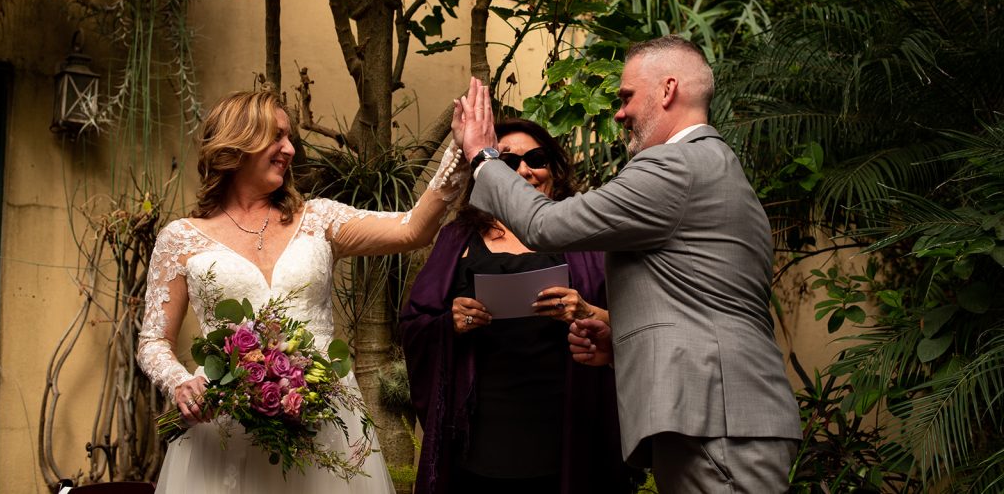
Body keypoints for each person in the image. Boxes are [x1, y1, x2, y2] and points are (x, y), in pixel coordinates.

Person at [458, 36, 802, 493]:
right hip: (717, 416)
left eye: (625, 97)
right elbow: (702, 303)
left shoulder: (675, 164)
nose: (619, 113)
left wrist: (485, 158)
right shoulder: (712, 165)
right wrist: (620, 341)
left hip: (717, 418)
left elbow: (545, 224)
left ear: (667, 90)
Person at [137, 90, 469, 493]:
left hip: (323, 423)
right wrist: (179, 383)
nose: (290, 149)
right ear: (240, 138)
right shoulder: (181, 238)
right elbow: (153, 340)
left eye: (290, 138)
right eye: (277, 136)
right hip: (223, 429)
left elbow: (414, 228)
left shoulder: (319, 219)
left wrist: (461, 151)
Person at [400, 118, 635, 494]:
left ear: (554, 169)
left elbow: (632, 324)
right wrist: (451, 322)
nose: (524, 171)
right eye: (507, 162)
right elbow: (415, 324)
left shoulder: (585, 236)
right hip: (481, 423)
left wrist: (584, 310)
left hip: (567, 418)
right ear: (486, 174)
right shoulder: (456, 238)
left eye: (536, 159)